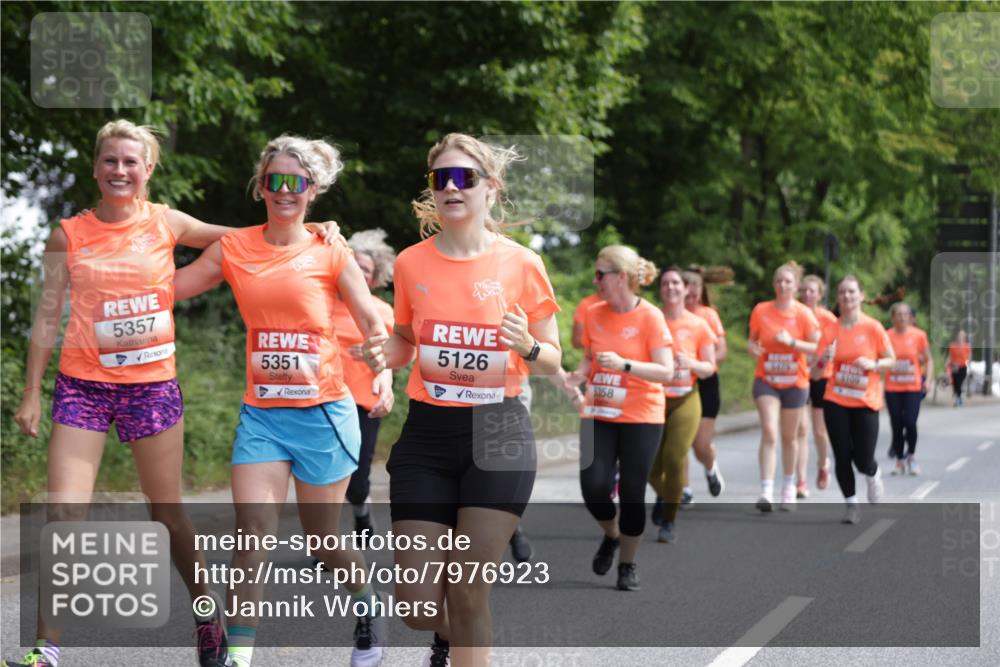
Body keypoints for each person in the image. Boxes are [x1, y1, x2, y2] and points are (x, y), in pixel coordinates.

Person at [6, 120, 336, 667]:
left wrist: (313, 225)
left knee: (169, 515)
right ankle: (48, 648)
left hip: (150, 387)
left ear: (148, 171)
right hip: (81, 386)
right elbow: (46, 317)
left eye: (130, 162)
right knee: (64, 512)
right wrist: (31, 392)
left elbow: (244, 238)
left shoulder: (167, 222)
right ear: (95, 167)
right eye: (110, 161)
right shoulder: (68, 233)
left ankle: (208, 617)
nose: (119, 171)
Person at [173, 135, 392, 667]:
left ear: (312, 190)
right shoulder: (235, 248)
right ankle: (240, 657)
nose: (284, 191)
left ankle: (366, 608)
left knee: (323, 541)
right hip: (262, 417)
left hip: (324, 415)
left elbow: (367, 313)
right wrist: (116, 262)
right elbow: (170, 286)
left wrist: (381, 367)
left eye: (296, 182)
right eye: (275, 180)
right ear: (261, 186)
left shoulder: (329, 248)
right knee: (251, 536)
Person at [362, 133, 562, 666]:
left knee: (470, 591)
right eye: (440, 179)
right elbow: (407, 338)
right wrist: (387, 352)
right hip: (427, 436)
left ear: (490, 189)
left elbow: (553, 360)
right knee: (417, 606)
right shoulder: (410, 263)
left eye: (464, 178)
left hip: (498, 434)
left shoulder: (522, 264)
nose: (451, 188)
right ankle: (452, 639)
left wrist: (529, 345)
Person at [564, 246, 673, 591]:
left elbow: (666, 371)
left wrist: (625, 365)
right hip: (599, 410)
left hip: (642, 414)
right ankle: (612, 534)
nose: (596, 281)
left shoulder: (651, 317)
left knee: (631, 492)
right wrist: (578, 374)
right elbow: (589, 357)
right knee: (593, 486)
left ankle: (627, 563)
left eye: (601, 274)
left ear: (621, 278)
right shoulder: (594, 313)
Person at [818, 276, 895, 524]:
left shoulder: (873, 328)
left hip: (865, 400)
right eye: (842, 292)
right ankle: (851, 505)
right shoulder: (830, 330)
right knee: (841, 454)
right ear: (838, 298)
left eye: (851, 292)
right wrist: (824, 359)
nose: (847, 297)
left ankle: (872, 473)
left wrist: (873, 364)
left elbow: (891, 359)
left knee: (862, 458)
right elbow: (816, 372)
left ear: (861, 295)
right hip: (836, 399)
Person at [648, 267, 716, 544]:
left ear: (685, 289)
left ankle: (669, 519)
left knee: (675, 458)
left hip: (687, 397)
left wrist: (692, 364)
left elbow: (710, 367)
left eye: (676, 283)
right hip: (653, 398)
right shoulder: (651, 320)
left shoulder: (699, 324)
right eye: (665, 283)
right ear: (661, 289)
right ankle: (666, 495)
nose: (671, 288)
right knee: (650, 468)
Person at [748, 261, 820, 512]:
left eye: (788, 281)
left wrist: (792, 342)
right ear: (773, 284)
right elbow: (752, 341)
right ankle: (766, 490)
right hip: (766, 380)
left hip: (795, 382)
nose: (782, 285)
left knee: (789, 437)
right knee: (769, 430)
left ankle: (788, 485)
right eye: (778, 281)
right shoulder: (761, 310)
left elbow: (816, 347)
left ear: (796, 286)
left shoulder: (803, 314)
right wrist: (752, 348)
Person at [337, 229, 396, 535]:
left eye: (367, 271)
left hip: (363, 403)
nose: (359, 274)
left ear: (374, 280)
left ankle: (361, 509)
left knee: (357, 479)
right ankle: (326, 543)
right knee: (325, 476)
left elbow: (399, 355)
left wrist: (378, 354)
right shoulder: (320, 303)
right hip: (322, 400)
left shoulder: (382, 312)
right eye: (354, 266)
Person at [679, 268, 727, 508]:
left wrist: (703, 364)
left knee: (700, 445)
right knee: (680, 439)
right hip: (679, 381)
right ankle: (685, 488)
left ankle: (710, 467)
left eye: (696, 285)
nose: (692, 290)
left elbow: (721, 350)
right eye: (687, 285)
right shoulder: (671, 316)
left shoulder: (708, 315)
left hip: (706, 381)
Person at [793, 274, 837, 497]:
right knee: (801, 429)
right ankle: (801, 480)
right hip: (798, 375)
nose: (808, 294)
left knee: (819, 431)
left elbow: (833, 348)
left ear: (820, 294)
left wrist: (821, 361)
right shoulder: (794, 314)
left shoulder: (828, 318)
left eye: (812, 291)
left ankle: (822, 464)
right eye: (805, 290)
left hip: (821, 376)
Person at [885, 302, 932, 475]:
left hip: (913, 386)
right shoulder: (887, 335)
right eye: (898, 314)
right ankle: (899, 460)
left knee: (910, 422)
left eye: (905, 314)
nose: (902, 317)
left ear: (910, 318)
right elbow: (880, 358)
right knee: (896, 424)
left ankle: (911, 456)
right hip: (892, 387)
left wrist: (929, 380)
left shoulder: (919, 335)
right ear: (893, 318)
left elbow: (929, 360)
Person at [948, 330, 971, 407]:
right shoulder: (952, 346)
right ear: (957, 337)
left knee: (959, 383)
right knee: (955, 383)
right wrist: (948, 363)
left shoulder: (967, 346)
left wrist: (968, 363)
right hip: (954, 367)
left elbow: (969, 357)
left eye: (962, 336)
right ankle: (958, 398)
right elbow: (950, 356)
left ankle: (958, 398)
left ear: (964, 337)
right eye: (959, 336)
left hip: (963, 367)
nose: (960, 337)